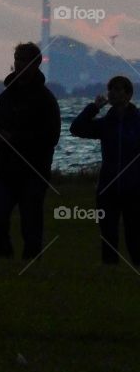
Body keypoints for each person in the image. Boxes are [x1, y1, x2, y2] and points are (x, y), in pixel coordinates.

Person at [0, 42, 61, 261]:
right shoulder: (5, 97)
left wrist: (14, 139)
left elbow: (51, 136)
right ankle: (4, 259)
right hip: (5, 171)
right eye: (17, 59)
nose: (18, 64)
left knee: (31, 222)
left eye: (23, 60)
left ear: (36, 64)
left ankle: (32, 261)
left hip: (33, 171)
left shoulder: (46, 100)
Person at [70, 75, 140, 265]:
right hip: (107, 187)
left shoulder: (137, 121)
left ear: (128, 94)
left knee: (134, 234)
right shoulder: (106, 123)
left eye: (118, 89)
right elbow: (76, 128)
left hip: (134, 188)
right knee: (108, 234)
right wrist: (93, 108)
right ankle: (110, 271)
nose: (114, 93)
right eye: (111, 89)